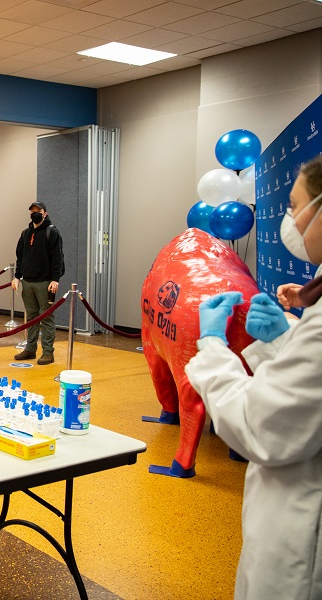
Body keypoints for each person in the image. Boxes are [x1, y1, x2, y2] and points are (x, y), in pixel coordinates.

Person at [185, 154, 322, 600]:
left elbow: (259, 426)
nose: (290, 221)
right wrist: (283, 339)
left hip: (303, 542)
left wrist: (212, 346)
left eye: (295, 207)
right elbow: (310, 389)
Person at [12, 201, 64, 365]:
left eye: (38, 211)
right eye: (32, 211)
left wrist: (55, 279)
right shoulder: (25, 233)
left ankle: (48, 352)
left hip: (45, 282)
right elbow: (20, 257)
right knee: (31, 317)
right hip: (27, 282)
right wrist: (17, 276)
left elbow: (57, 258)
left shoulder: (52, 232)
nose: (35, 213)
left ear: (45, 213)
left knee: (46, 317)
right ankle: (30, 349)